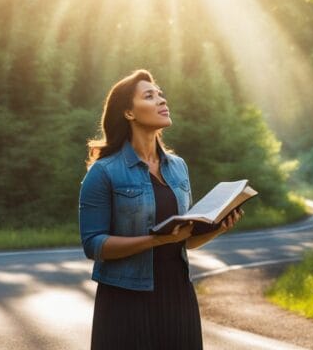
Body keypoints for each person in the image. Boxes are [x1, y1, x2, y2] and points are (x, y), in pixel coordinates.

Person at [78, 69, 243, 350]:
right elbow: (94, 245)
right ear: (129, 113)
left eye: (161, 95)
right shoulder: (104, 172)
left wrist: (216, 228)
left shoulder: (178, 167)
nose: (161, 101)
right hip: (125, 298)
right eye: (149, 96)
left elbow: (184, 240)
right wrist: (156, 240)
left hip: (178, 292)